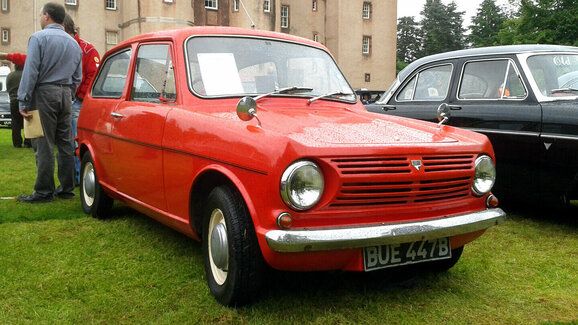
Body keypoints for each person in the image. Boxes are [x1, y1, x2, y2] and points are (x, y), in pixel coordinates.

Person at [17, 2, 82, 203]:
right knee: (65, 144)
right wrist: (68, 94)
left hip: (45, 93)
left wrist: (23, 99)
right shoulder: (74, 43)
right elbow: (77, 77)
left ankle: (44, 191)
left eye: (40, 15)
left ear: (47, 16)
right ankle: (66, 188)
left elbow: (31, 71)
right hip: (65, 94)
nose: (40, 18)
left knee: (43, 143)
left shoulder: (38, 37)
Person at [62, 14, 100, 185]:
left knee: (76, 141)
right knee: (65, 142)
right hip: (65, 98)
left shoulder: (87, 49)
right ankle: (70, 179)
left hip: (76, 102)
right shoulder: (64, 46)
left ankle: (78, 178)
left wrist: (79, 97)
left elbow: (93, 75)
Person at [0, 52, 31, 148]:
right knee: (27, 120)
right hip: (24, 100)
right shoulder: (26, 75)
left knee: (15, 122)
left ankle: (17, 143)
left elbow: (8, 88)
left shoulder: (9, 76)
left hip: (13, 100)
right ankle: (27, 142)